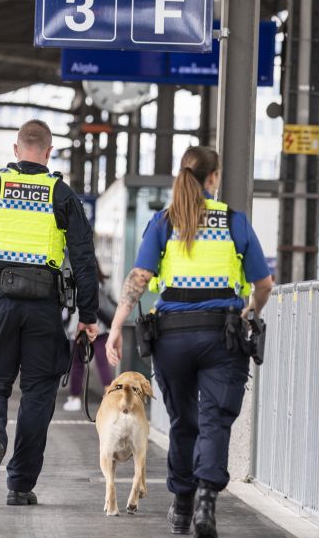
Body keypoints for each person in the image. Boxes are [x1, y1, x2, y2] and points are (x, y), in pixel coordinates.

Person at [105, 146, 273, 538]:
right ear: (213, 178)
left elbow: (139, 279)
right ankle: (206, 504)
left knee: (184, 422)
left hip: (173, 337)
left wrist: (115, 326)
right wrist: (251, 310)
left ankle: (181, 507)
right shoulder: (235, 222)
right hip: (221, 335)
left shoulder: (164, 222)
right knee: (215, 421)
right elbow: (263, 284)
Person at [0, 119, 99, 506]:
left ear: (16, 150)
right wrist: (88, 315)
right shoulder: (61, 195)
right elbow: (83, 259)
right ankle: (21, 485)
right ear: (48, 152)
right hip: (44, 305)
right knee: (39, 392)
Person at [63, 259, 115, 412]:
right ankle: (111, 397)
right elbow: (112, 303)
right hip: (101, 327)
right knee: (102, 363)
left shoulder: (77, 282)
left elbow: (70, 305)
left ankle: (74, 398)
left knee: (78, 364)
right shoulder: (104, 283)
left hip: (79, 327)